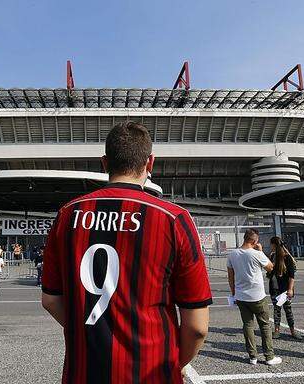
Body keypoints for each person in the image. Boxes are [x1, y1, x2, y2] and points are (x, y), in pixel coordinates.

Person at [42, 121, 212, 383]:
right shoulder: (173, 219)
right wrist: (175, 362)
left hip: (83, 373)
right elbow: (198, 326)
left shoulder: (67, 215)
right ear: (150, 163)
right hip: (151, 373)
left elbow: (51, 300)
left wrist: (89, 332)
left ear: (104, 162)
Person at [228, 229, 281, 366]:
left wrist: (234, 292)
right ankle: (269, 356)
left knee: (247, 325)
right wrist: (261, 251)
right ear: (255, 241)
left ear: (244, 238)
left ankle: (252, 356)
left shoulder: (233, 254)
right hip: (257, 295)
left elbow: (230, 276)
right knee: (264, 325)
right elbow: (270, 268)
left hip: (240, 295)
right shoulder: (257, 254)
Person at [267, 237, 301, 340]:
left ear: (274, 245)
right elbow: (269, 272)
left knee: (288, 310)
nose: (270, 246)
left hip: (285, 289)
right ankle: (277, 330)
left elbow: (291, 276)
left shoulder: (287, 257)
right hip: (274, 287)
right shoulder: (272, 256)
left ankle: (292, 330)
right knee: (277, 309)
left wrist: (290, 289)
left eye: (271, 244)